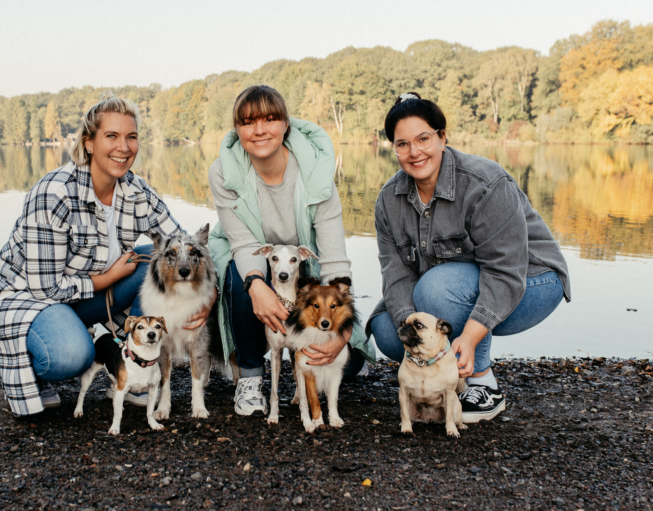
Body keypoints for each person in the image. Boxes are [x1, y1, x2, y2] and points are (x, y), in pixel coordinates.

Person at [0, 93, 212, 417]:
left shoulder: (137, 190)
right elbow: (44, 289)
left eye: (131, 137)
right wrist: (108, 278)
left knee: (156, 257)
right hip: (28, 300)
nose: (124, 147)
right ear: (89, 142)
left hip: (86, 292)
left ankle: (128, 370)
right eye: (112, 136)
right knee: (70, 355)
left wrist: (209, 294)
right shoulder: (54, 193)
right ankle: (32, 368)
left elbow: (181, 242)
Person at [367, 92, 570, 423]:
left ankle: (482, 382)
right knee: (388, 331)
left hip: (532, 282)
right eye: (402, 144)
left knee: (434, 289)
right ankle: (449, 379)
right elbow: (396, 274)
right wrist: (412, 327)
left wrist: (472, 336)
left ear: (442, 137)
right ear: (393, 147)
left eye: (423, 139)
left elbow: (505, 271)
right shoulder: (389, 199)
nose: (414, 152)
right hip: (455, 287)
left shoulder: (485, 182)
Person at [208, 85, 376, 416]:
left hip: (304, 263)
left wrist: (341, 332)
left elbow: (334, 259)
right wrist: (258, 286)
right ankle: (251, 376)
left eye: (269, 119)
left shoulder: (315, 170)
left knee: (347, 364)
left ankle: (347, 349)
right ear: (237, 130)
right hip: (250, 254)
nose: (258, 130)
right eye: (247, 122)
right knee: (245, 279)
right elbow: (243, 244)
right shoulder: (221, 172)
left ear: (286, 124)